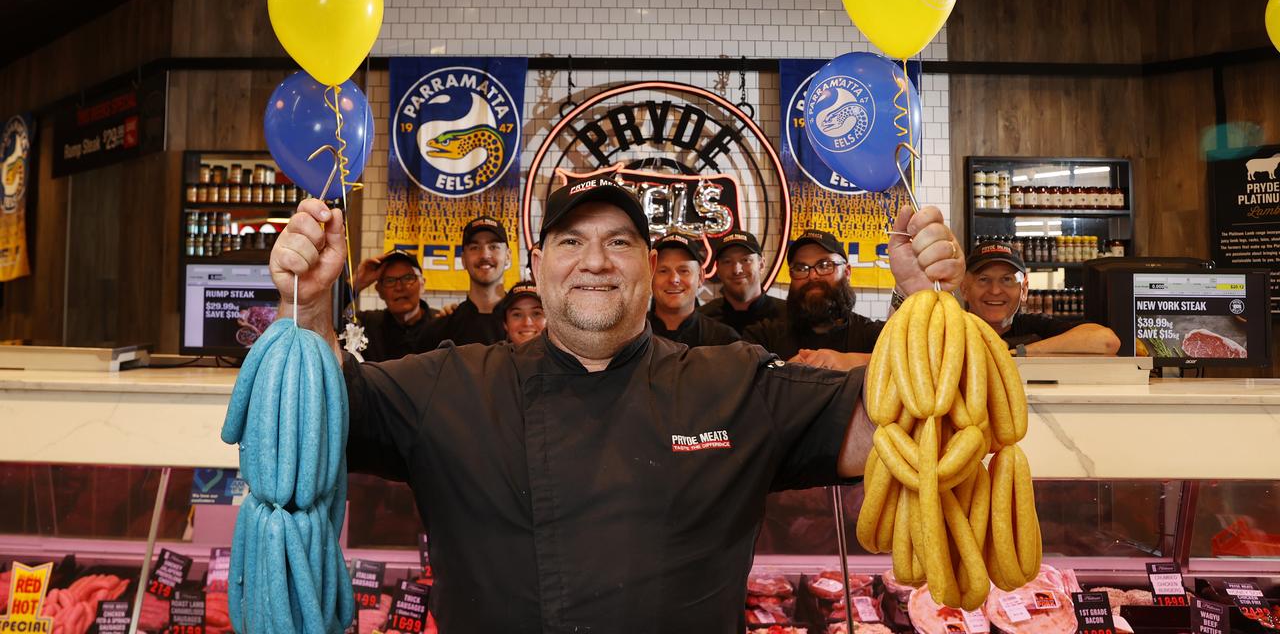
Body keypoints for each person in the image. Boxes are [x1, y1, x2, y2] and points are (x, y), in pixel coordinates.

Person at [267, 174, 964, 632]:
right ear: (538, 267)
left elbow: (897, 429)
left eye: (620, 243)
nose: (595, 261)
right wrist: (307, 306)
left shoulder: (735, 381)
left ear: (649, 268)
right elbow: (315, 416)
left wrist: (927, 303)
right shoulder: (450, 384)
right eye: (571, 241)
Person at [744, 229, 895, 369]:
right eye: (801, 268)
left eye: (825, 265)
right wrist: (785, 370)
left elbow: (906, 361)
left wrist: (851, 361)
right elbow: (743, 375)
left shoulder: (873, 336)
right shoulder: (763, 337)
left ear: (847, 272)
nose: (813, 276)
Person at [960, 242, 1120, 355]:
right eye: (983, 279)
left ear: (1024, 290)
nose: (995, 291)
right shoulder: (950, 330)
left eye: (1007, 280)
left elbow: (1107, 341)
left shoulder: (1037, 328)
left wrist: (1019, 350)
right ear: (964, 289)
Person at [421, 216, 511, 348]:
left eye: (493, 246)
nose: (484, 255)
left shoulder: (526, 327)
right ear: (463, 259)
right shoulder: (439, 330)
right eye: (474, 247)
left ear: (508, 256)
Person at [648, 233, 741, 348]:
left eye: (684, 271)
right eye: (663, 271)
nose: (674, 279)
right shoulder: (630, 336)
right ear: (650, 277)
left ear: (701, 277)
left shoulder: (724, 340)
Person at [348, 250, 438, 362]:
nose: (399, 287)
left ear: (422, 284)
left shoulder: (441, 324)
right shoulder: (366, 325)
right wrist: (356, 283)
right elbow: (325, 319)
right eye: (390, 281)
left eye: (408, 278)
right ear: (379, 291)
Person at [698, 230, 787, 334]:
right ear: (718, 269)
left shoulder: (788, 316)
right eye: (727, 261)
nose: (737, 270)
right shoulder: (702, 321)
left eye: (745, 260)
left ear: (761, 265)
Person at [497, 280, 546, 346]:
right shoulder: (490, 355)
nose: (527, 323)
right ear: (505, 324)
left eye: (536, 313)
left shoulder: (563, 355)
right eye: (517, 315)